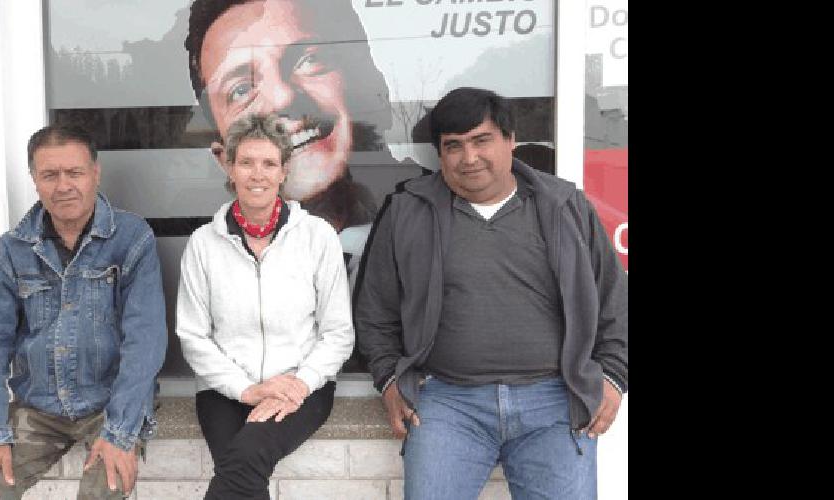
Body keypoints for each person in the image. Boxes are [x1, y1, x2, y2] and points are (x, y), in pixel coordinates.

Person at [354, 87, 628, 500]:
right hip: (447, 403)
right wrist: (390, 379)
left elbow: (614, 300)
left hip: (554, 400)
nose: (469, 158)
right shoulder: (408, 211)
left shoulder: (563, 206)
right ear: (440, 154)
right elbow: (375, 310)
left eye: (482, 140)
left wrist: (612, 376)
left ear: (510, 140)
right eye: (454, 146)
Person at [0, 125, 168, 500]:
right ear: (35, 180)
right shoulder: (12, 250)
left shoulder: (131, 238)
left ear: (95, 173)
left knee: (102, 492)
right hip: (37, 407)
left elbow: (146, 341)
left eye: (74, 173)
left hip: (111, 403)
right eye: (49, 175)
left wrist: (121, 431)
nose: (63, 186)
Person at [176, 113, 355, 500]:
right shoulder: (204, 244)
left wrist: (297, 384)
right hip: (224, 390)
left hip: (301, 387)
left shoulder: (317, 237)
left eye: (269, 163)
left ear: (283, 171)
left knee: (242, 461)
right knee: (241, 470)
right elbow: (193, 336)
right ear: (230, 167)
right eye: (247, 163)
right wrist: (247, 390)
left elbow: (338, 332)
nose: (257, 174)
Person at [184, 0, 422, 287]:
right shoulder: (215, 256)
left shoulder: (440, 222)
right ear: (226, 160)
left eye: (309, 59)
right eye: (241, 90)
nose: (283, 96)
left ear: (375, 88)